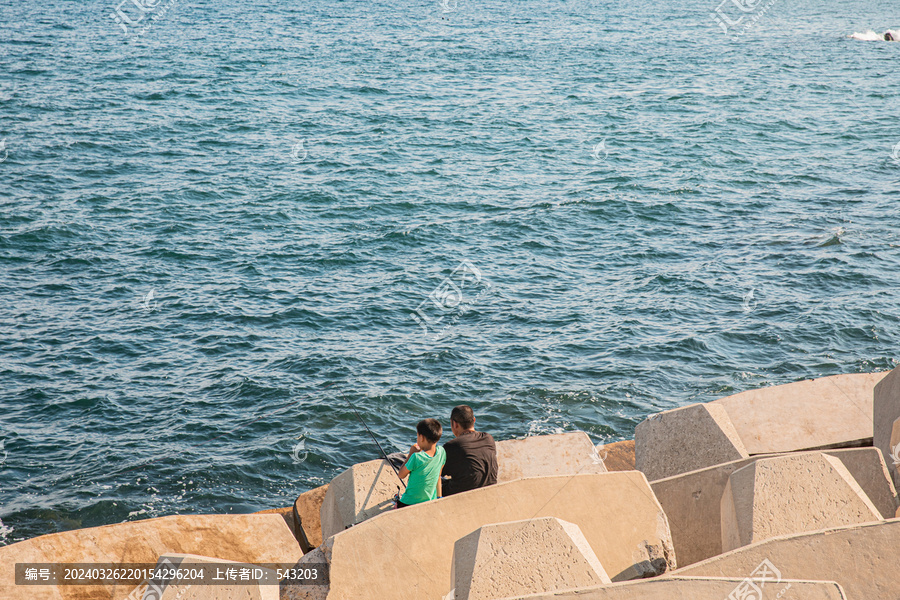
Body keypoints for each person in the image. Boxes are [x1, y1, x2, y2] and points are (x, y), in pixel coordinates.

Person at [441, 405, 498, 496]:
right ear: (474, 420)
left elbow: (436, 473)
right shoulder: (488, 438)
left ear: (455, 424)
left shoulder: (452, 446)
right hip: (490, 489)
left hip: (463, 495)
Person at [395, 418, 446, 508]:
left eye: (417, 436)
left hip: (408, 503)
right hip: (430, 501)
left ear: (421, 437)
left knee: (395, 508)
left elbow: (401, 475)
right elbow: (438, 476)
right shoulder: (442, 452)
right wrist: (439, 498)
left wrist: (411, 454)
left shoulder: (416, 457)